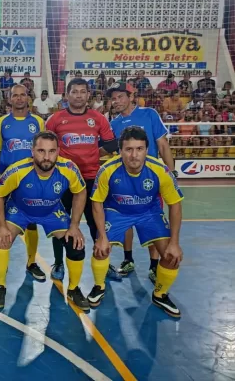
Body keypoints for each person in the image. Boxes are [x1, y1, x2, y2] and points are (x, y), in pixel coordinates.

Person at [89, 127, 183, 317]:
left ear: (147, 150)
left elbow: (175, 205)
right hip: (117, 211)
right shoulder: (107, 170)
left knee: (172, 257)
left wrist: (174, 242)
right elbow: (97, 203)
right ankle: (99, 286)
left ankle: (160, 294)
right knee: (101, 249)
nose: (134, 155)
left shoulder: (160, 170)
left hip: (149, 212)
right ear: (120, 150)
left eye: (139, 149)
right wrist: (102, 237)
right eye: (128, 149)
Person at [0, 131, 89, 310]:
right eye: (41, 151)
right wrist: (2, 226)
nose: (46, 157)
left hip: (51, 210)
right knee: (2, 240)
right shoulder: (17, 170)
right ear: (32, 151)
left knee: (76, 244)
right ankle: (0, 286)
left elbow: (81, 192)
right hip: (20, 210)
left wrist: (74, 225)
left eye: (52, 151)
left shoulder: (68, 168)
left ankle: (74, 289)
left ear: (58, 151)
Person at [45, 78, 119, 281]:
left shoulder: (98, 119)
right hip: (63, 181)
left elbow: (112, 145)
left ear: (88, 95)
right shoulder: (55, 119)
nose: (78, 95)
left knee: (98, 223)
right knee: (60, 222)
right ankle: (58, 262)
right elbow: (46, 147)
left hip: (91, 179)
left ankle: (103, 261)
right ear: (67, 95)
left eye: (82, 92)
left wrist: (95, 152)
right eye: (74, 92)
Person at [107, 82, 176, 283]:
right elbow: (111, 153)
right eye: (113, 98)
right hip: (124, 182)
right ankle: (128, 260)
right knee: (126, 220)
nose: (116, 101)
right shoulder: (113, 124)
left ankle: (154, 266)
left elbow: (163, 145)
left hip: (151, 181)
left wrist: (171, 173)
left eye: (120, 97)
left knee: (152, 222)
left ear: (130, 96)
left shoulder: (149, 114)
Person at [0, 84, 46, 281]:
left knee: (31, 223)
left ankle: (31, 262)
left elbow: (43, 150)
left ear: (28, 98)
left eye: (23, 95)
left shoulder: (39, 122)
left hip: (32, 181)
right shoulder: (1, 123)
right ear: (9, 99)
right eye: (15, 95)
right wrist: (9, 173)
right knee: (0, 221)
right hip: (7, 181)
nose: (19, 98)